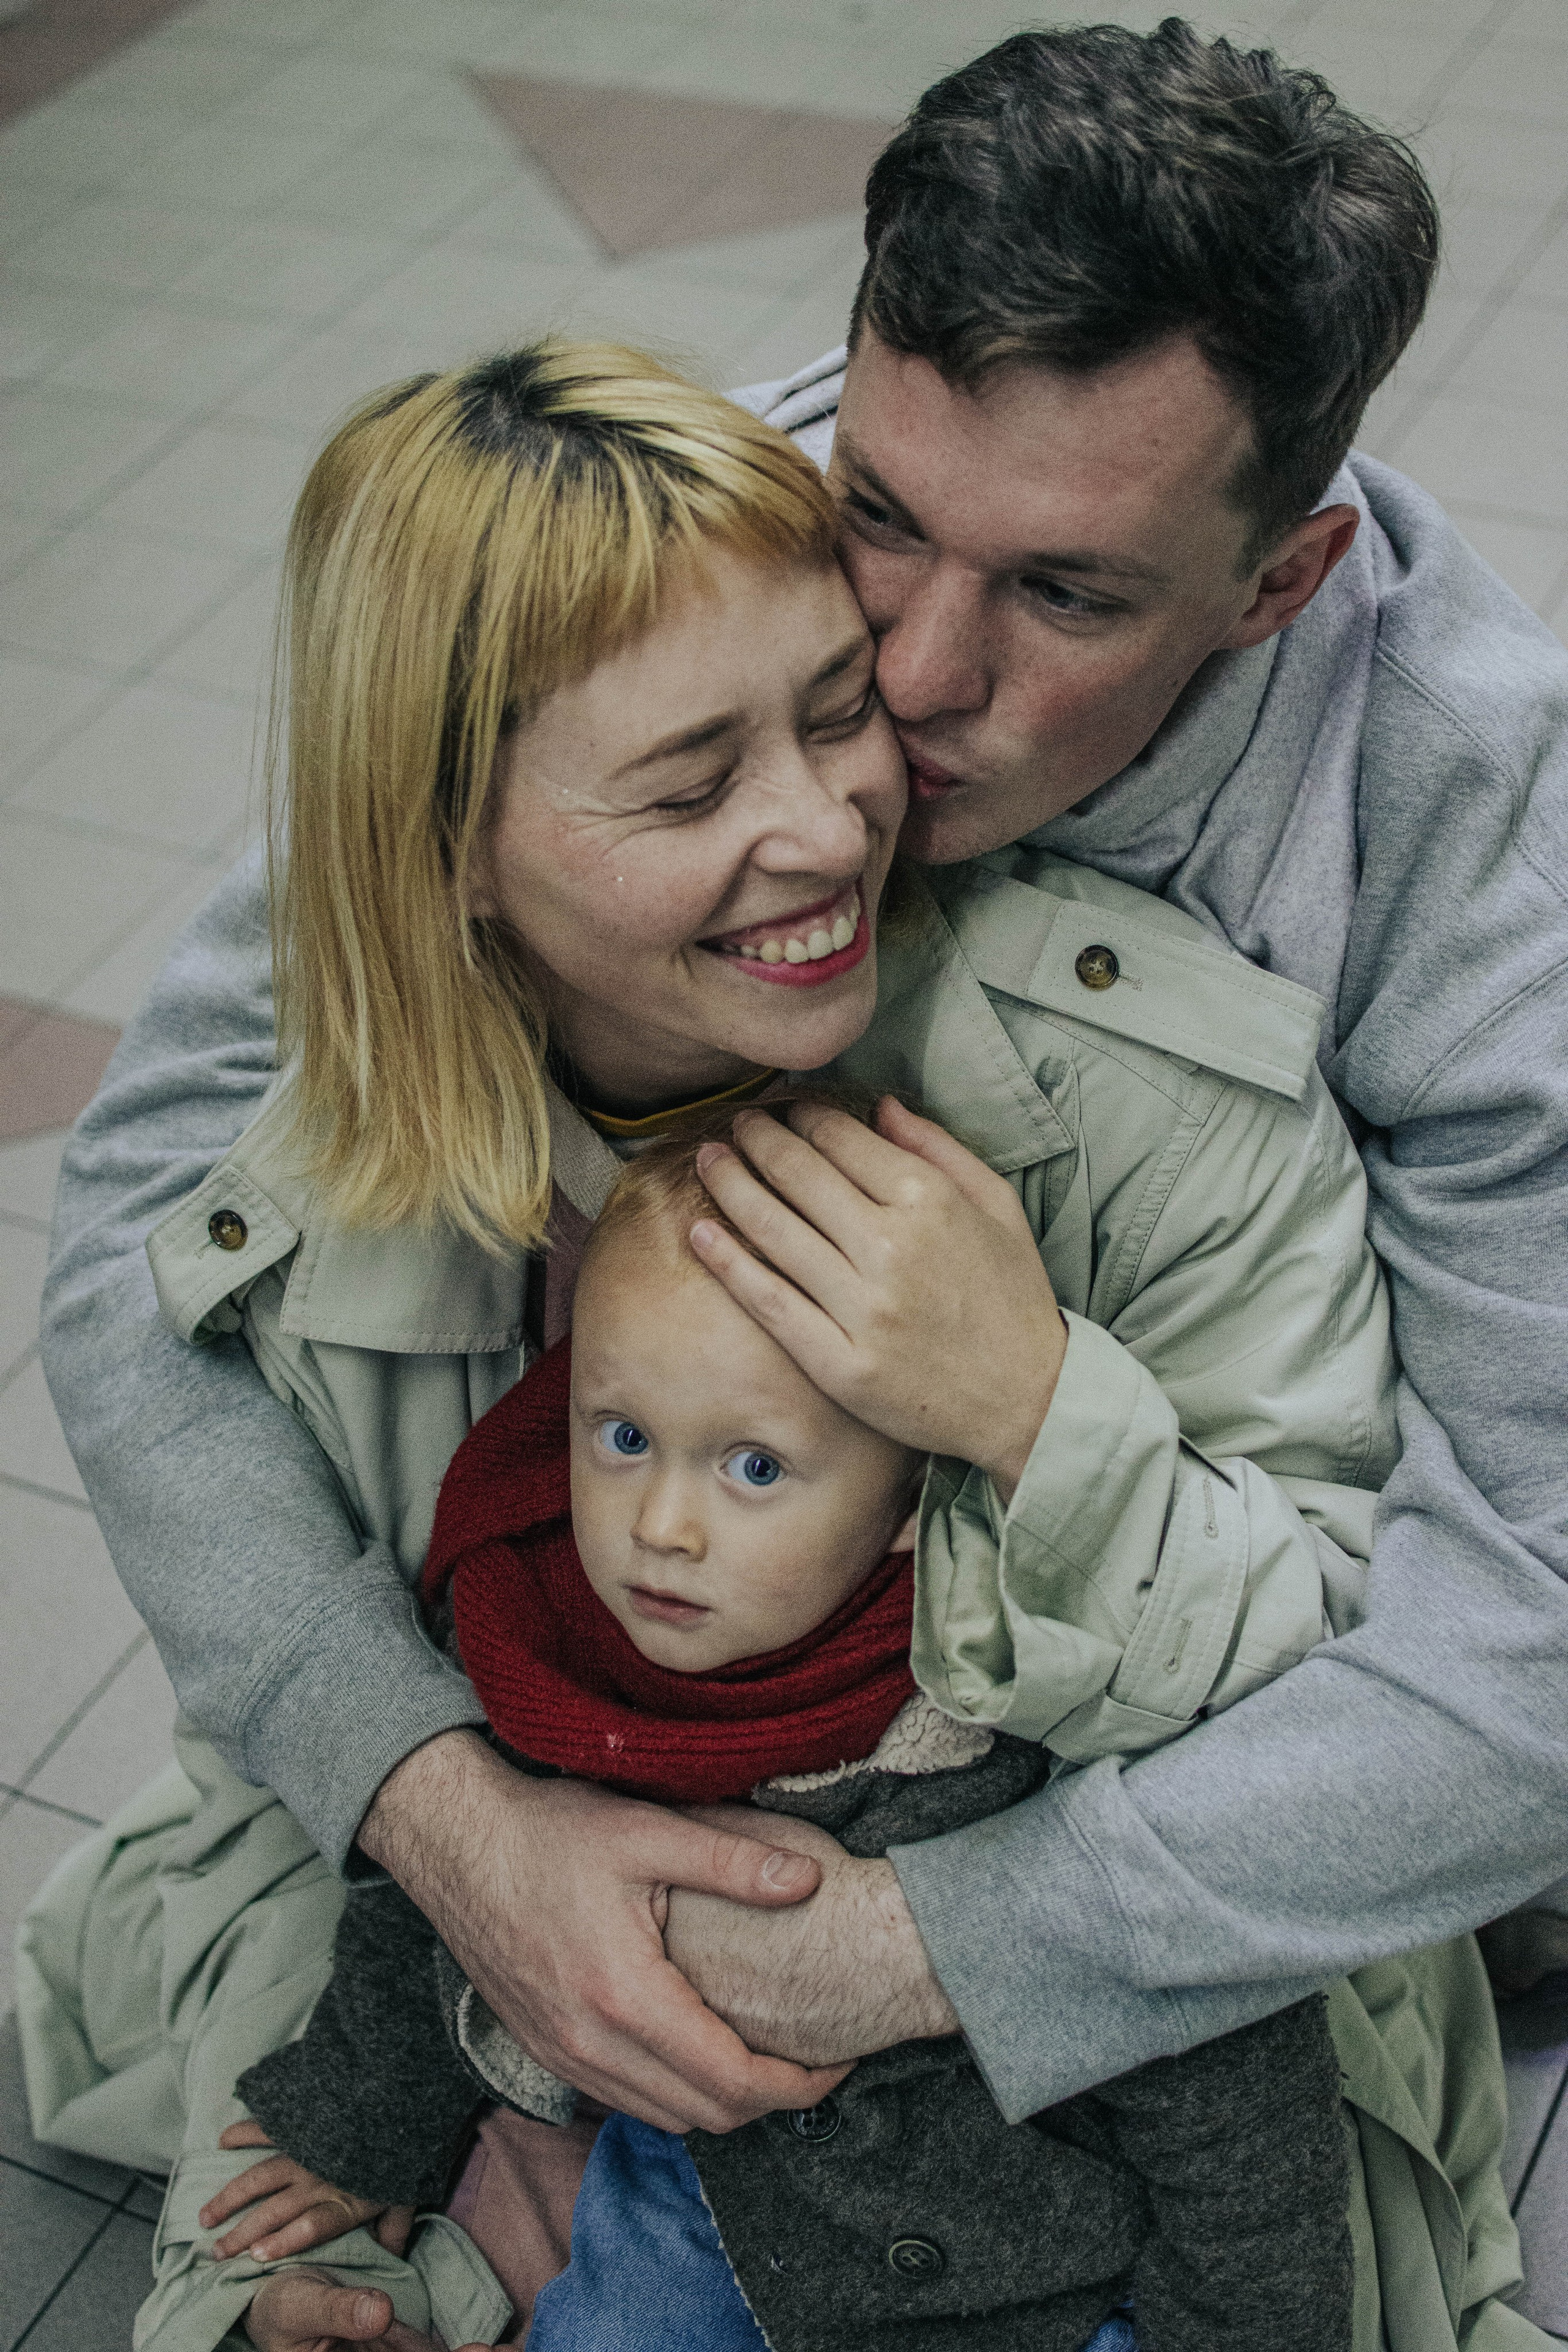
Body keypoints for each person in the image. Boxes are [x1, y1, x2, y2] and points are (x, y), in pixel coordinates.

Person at [20, 12, 1568, 2346]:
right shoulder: (709, 565)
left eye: (1064, 597)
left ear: (1275, 584)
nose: (897, 701)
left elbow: (1524, 1633)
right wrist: (455, 1826)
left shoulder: (1465, 840)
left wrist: (913, 1952)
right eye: (881, 511)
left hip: (1108, 1765)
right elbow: (149, 1231)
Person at [192, 1106, 1368, 2352]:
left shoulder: (1002, 1714)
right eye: (623, 1438)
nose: (661, 1527)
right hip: (683, 2243)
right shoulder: (535, 1640)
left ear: (914, 1501)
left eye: (753, 1470)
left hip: (1018, 2282)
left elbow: (1227, 2078)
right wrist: (360, 2132)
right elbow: (437, 1900)